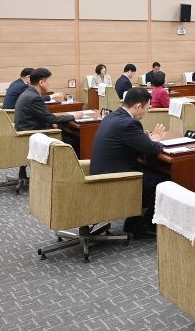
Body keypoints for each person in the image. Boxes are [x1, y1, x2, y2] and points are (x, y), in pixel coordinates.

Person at [90, 87, 167, 234]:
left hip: (101, 174)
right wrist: (155, 141)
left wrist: (145, 141)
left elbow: (131, 143)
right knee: (163, 181)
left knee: (150, 172)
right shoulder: (129, 124)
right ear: (138, 106)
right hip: (115, 179)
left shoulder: (112, 116)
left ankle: (133, 222)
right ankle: (144, 226)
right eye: (147, 108)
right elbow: (152, 150)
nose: (146, 112)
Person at [14, 68, 82, 132]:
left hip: (27, 129)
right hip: (32, 134)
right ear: (41, 83)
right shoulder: (34, 98)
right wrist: (73, 116)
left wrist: (51, 123)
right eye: (47, 81)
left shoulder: (28, 93)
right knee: (71, 138)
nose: (49, 84)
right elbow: (50, 119)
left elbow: (44, 116)